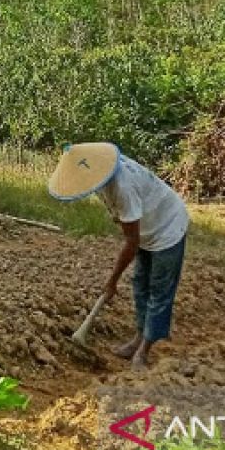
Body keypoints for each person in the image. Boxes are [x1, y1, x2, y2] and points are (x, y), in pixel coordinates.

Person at [48, 142, 189, 369]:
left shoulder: (123, 186)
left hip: (167, 227)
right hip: (146, 227)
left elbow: (131, 242)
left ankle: (144, 350)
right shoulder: (102, 176)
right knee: (140, 284)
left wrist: (112, 280)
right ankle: (138, 338)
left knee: (159, 290)